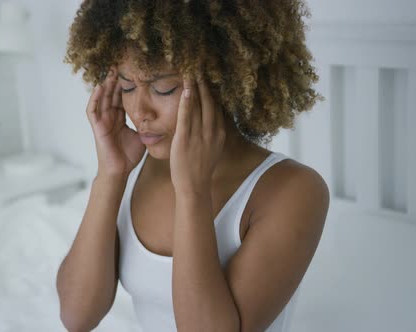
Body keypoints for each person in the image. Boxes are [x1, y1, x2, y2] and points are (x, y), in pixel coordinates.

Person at [56, 1, 330, 331]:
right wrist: (110, 176)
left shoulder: (294, 191)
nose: (140, 110)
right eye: (128, 86)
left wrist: (192, 192)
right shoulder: (135, 167)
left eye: (163, 87)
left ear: (224, 77)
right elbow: (76, 316)